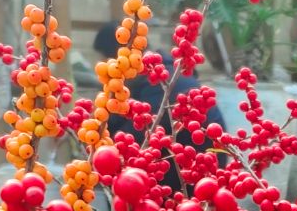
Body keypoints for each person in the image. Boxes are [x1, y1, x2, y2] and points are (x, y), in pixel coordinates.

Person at [93, 23, 226, 194]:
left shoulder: (160, 84)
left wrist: (100, 145)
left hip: (197, 166)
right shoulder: (161, 73)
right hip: (196, 161)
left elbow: (137, 135)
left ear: (119, 59)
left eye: (106, 60)